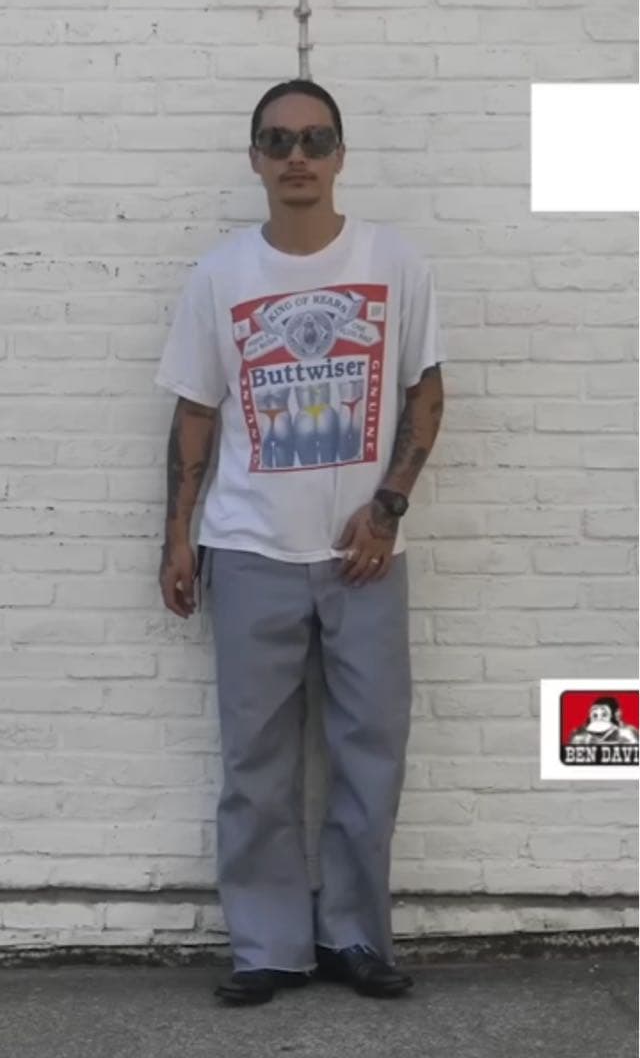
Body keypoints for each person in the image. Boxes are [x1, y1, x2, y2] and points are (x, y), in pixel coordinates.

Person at [154, 79, 446, 1006]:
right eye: (278, 141)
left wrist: (388, 506)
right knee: (255, 762)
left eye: (316, 140)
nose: (297, 157)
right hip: (249, 548)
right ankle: (267, 947)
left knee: (371, 752)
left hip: (366, 555)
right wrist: (177, 537)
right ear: (255, 158)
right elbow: (195, 413)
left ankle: (355, 936)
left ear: (340, 155)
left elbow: (426, 394)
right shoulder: (220, 276)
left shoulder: (393, 262)